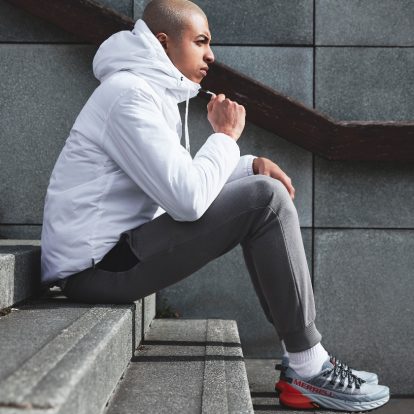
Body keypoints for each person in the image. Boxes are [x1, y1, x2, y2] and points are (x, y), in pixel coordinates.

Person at [39, 0, 389, 411]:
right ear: (163, 42)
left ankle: (305, 363)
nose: (211, 55)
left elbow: (181, 179)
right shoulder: (128, 96)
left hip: (113, 256)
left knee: (262, 190)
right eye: (201, 41)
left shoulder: (146, 93)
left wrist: (248, 164)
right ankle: (309, 366)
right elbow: (187, 200)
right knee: (267, 200)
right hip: (95, 271)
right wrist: (224, 136)